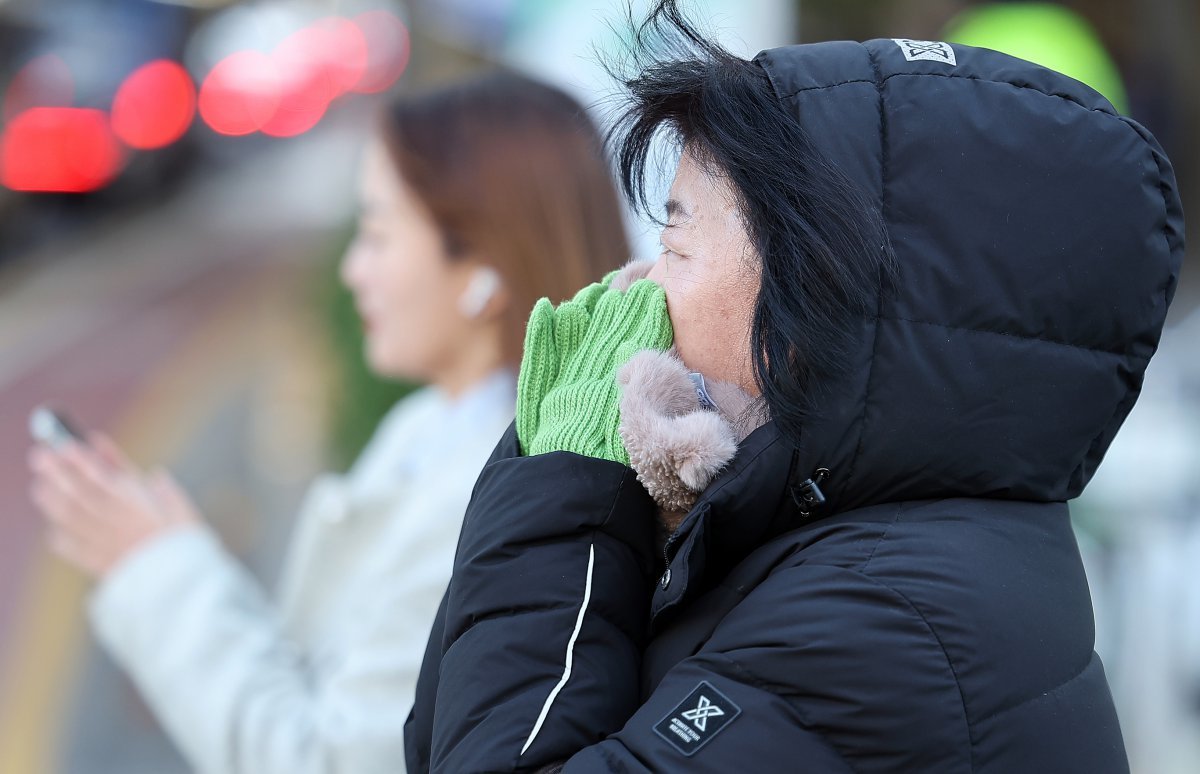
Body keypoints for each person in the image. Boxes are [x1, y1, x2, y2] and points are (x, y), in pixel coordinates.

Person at [404, 2, 1184, 772]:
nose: (634, 288)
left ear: (811, 298)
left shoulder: (882, 622)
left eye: (673, 246)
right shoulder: (835, 540)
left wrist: (568, 486)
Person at [26, 70, 630, 773]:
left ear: (483, 271)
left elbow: (327, 758)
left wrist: (156, 569)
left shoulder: (483, 495)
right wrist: (175, 556)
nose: (352, 272)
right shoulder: (441, 425)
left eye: (375, 235)